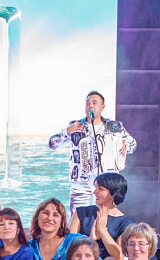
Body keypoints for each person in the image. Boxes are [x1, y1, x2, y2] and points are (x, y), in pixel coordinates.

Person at [49, 90, 137, 235]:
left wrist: (125, 144)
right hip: (81, 181)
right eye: (88, 103)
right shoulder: (76, 126)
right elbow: (52, 144)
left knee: (107, 217)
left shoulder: (114, 127)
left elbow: (133, 146)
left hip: (107, 183)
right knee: (77, 216)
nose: (90, 106)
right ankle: (75, 244)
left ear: (102, 107)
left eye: (94, 103)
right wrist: (67, 132)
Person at [86, 172, 133, 260]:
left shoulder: (124, 223)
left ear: (113, 193)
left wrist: (103, 231)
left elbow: (119, 256)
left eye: (100, 189)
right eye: (96, 188)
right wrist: (91, 239)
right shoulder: (82, 213)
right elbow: (69, 245)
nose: (95, 192)